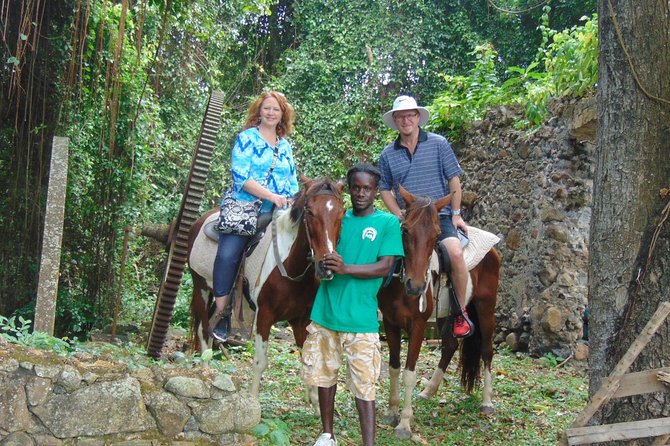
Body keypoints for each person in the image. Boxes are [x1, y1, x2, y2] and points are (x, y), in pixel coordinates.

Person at [301, 163, 404, 446]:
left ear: (376, 192)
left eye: (367, 188)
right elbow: (320, 251)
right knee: (324, 375)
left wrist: (345, 268)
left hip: (361, 318)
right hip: (326, 312)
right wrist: (324, 264)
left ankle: (368, 443)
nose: (361, 193)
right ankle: (327, 435)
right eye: (356, 188)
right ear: (349, 190)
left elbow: (384, 267)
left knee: (364, 384)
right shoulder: (336, 217)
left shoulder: (387, 223)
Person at [378, 95, 474, 338]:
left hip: (437, 217)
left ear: (418, 117)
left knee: (454, 253)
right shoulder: (388, 154)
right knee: (380, 252)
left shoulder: (439, 143)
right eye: (400, 116)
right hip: (408, 221)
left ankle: (460, 313)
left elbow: (454, 180)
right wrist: (398, 214)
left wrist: (455, 214)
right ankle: (378, 308)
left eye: (410, 115)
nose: (406, 120)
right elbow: (385, 189)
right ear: (395, 121)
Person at [211, 91, 299, 342]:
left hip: (280, 209)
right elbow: (242, 177)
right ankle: (222, 312)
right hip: (246, 207)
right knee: (228, 255)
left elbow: (292, 179)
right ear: (259, 111)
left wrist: (292, 198)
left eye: (276, 110)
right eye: (267, 108)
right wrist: (271, 196)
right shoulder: (246, 138)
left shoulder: (285, 145)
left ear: (283, 115)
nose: (271, 113)